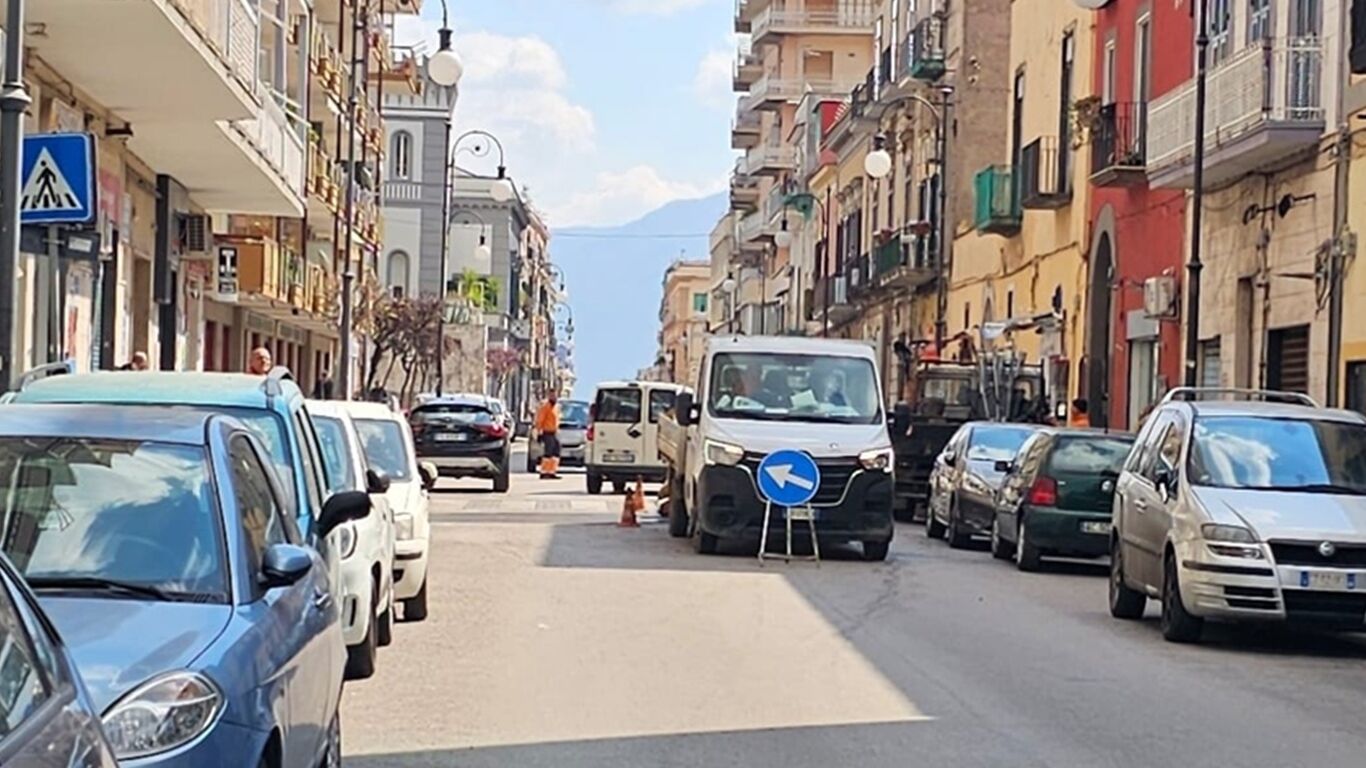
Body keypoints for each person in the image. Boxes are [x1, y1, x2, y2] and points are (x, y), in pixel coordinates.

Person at [534, 394, 561, 479]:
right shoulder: (545, 407)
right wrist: (539, 432)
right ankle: (544, 472)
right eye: (552, 396)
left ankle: (552, 471)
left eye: (555, 396)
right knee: (548, 452)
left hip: (554, 432)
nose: (554, 398)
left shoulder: (556, 407)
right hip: (547, 432)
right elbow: (540, 420)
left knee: (556, 451)